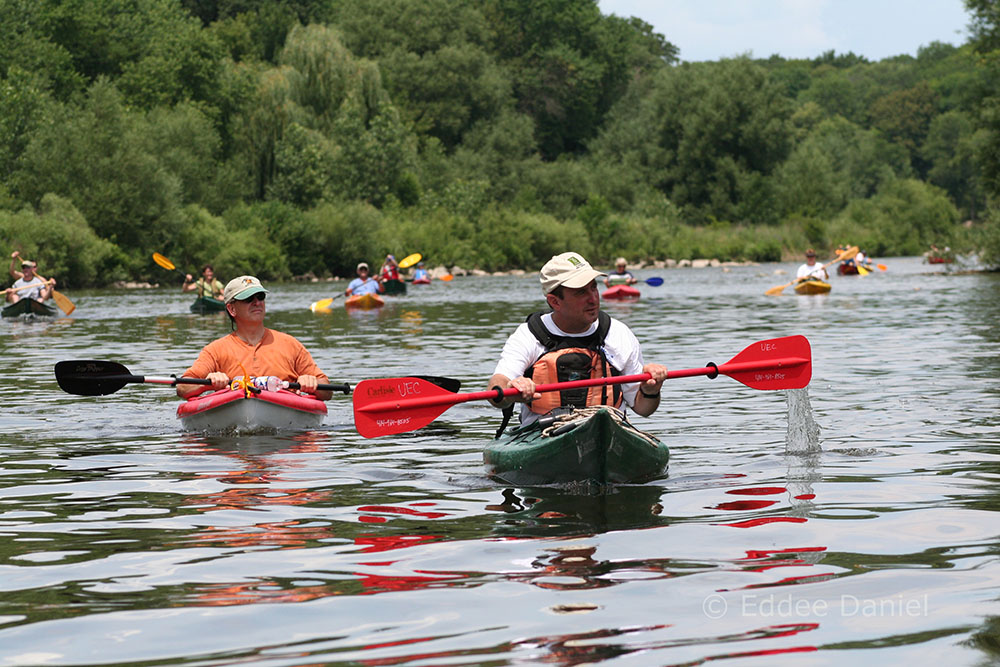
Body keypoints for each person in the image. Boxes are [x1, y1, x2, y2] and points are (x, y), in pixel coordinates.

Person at [488, 251, 668, 428]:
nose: (593, 298)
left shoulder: (618, 333)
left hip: (609, 429)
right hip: (543, 434)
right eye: (581, 292)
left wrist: (650, 391)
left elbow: (644, 409)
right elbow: (496, 387)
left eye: (594, 287)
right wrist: (512, 389)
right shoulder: (529, 335)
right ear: (555, 301)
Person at [177, 276, 333, 400]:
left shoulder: (290, 344)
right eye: (248, 298)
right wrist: (207, 384)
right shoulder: (215, 350)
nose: (257, 302)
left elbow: (327, 390)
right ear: (231, 308)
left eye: (260, 296)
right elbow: (182, 388)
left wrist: (312, 382)